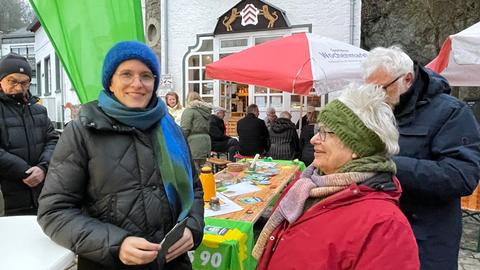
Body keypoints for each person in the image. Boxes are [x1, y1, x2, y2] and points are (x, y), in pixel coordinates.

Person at [37, 41, 205, 270]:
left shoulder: (171, 129)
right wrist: (116, 244)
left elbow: (193, 189)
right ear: (111, 82)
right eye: (126, 74)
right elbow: (54, 212)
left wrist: (192, 227)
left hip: (172, 263)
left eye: (146, 76)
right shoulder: (82, 131)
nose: (137, 84)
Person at [253, 84, 419, 269]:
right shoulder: (308, 184)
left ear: (356, 146)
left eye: (325, 133)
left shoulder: (386, 227)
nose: (313, 139)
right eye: (318, 131)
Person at [363, 46, 480, 270]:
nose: (376, 96)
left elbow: (462, 176)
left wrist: (390, 165)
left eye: (381, 88)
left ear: (407, 79)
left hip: (427, 240)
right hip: (383, 233)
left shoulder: (452, 112)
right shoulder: (382, 111)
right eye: (371, 89)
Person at [0, 52, 59, 216]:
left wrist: (42, 168)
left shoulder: (39, 110)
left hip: (42, 193)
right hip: (7, 196)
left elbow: (53, 140)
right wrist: (25, 171)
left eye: (24, 82)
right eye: (12, 81)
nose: (19, 88)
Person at [181, 91, 212, 170]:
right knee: (204, 168)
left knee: (194, 168)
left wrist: (181, 140)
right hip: (206, 140)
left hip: (193, 142)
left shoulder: (189, 111)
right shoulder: (206, 111)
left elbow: (185, 128)